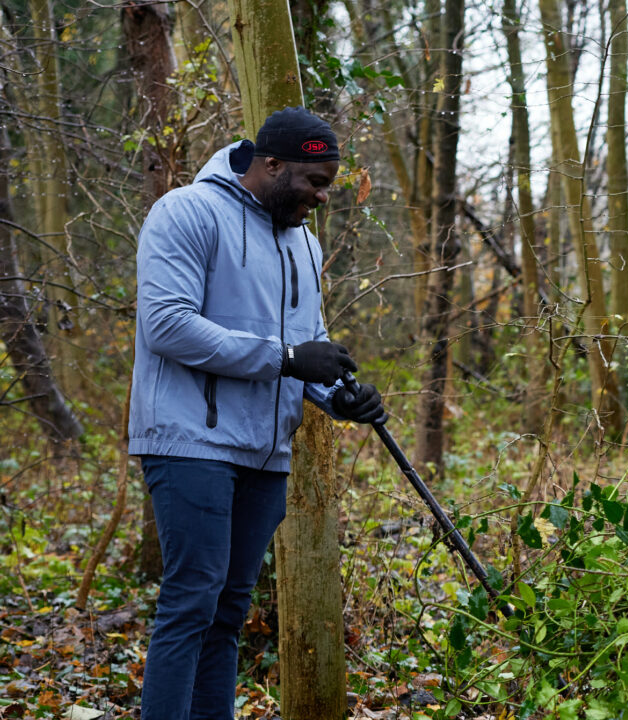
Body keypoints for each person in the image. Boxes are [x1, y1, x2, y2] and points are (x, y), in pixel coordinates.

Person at [129, 107, 385, 717]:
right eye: (313, 182)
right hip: (189, 440)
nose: (322, 198)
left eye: (328, 184)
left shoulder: (303, 242)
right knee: (191, 603)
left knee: (226, 614)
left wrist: (340, 395)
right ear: (272, 165)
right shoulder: (186, 213)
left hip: (266, 451)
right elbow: (167, 326)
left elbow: (306, 346)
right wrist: (290, 356)